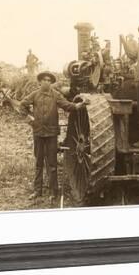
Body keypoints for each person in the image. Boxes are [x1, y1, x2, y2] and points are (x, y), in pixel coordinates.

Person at [20, 71, 87, 204]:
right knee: (39, 162)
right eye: (44, 80)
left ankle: (53, 192)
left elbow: (67, 105)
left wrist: (78, 105)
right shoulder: (35, 94)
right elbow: (22, 105)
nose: (46, 82)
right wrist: (30, 120)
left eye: (49, 80)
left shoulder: (56, 95)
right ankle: (37, 191)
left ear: (51, 83)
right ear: (40, 82)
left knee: (52, 164)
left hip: (51, 134)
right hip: (38, 133)